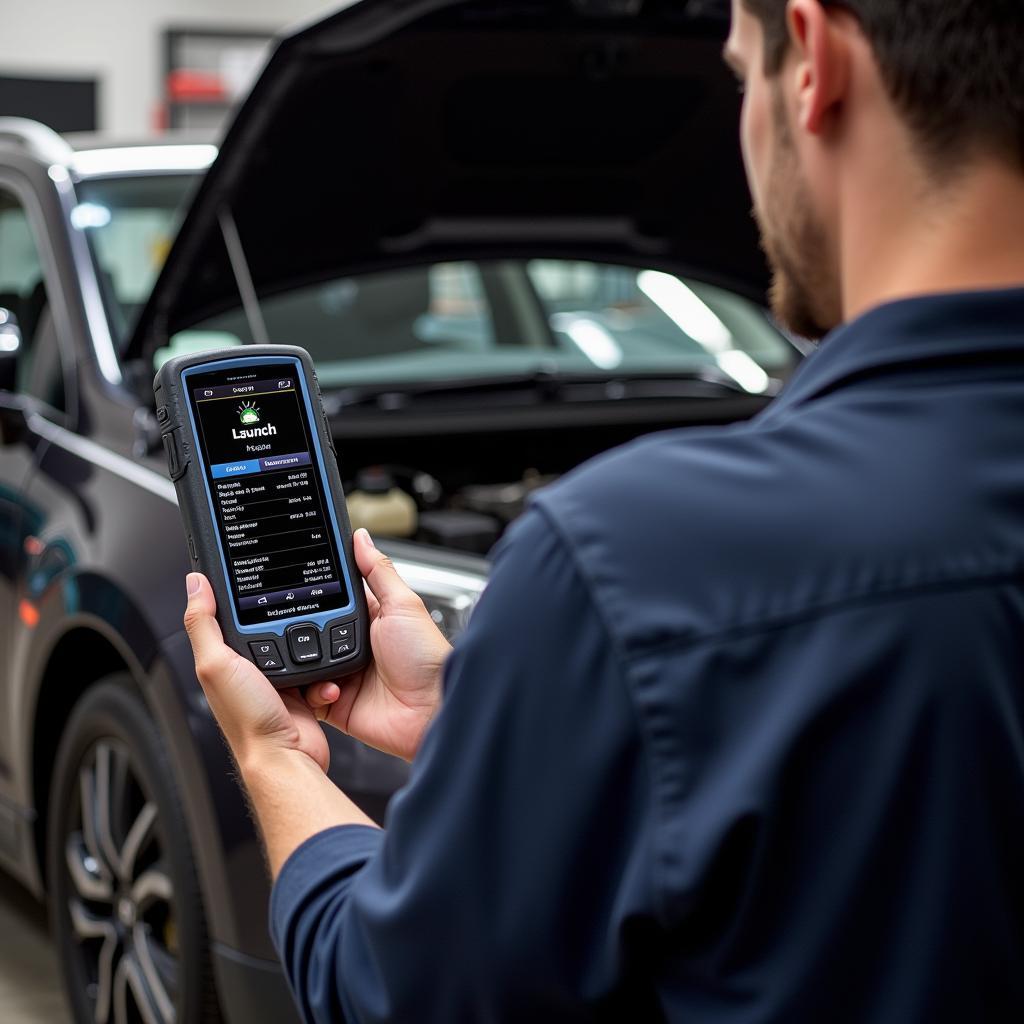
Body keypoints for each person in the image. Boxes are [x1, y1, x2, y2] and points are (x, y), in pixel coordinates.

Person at [183, 0, 1024, 1019]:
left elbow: (388, 995)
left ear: (811, 60)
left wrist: (273, 759)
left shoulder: (635, 564)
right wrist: (496, 723)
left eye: (737, 77)